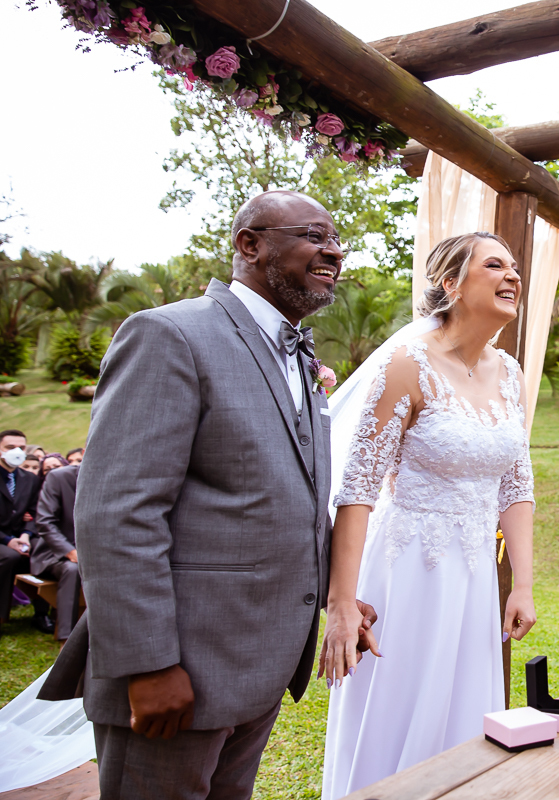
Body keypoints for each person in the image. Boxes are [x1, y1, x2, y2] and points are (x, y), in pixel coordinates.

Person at [43, 191, 379, 800]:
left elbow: (283, 501)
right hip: (180, 669)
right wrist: (148, 665)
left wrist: (338, 594)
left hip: (258, 663)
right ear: (249, 244)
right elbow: (117, 513)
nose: (333, 250)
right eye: (313, 235)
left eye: (336, 241)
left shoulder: (299, 356)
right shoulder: (170, 334)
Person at [321, 232, 537, 799]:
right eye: (496, 265)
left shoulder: (511, 374)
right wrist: (342, 602)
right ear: (451, 284)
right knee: (402, 706)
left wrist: (523, 586)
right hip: (408, 570)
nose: (513, 275)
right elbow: (358, 491)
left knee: (466, 715)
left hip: (474, 579)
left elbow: (516, 484)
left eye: (515, 266)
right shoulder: (405, 366)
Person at [0, 428, 54, 635]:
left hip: (21, 537)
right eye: (10, 447)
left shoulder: (29, 479)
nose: (17, 451)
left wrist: (26, 535)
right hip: (4, 540)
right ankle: (2, 615)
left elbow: (36, 512)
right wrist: (7, 540)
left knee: (42, 552)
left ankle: (42, 613)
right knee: (9, 557)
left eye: (21, 447)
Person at [33, 462, 82, 642]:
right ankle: (66, 640)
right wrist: (70, 552)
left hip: (96, 553)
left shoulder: (114, 478)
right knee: (72, 569)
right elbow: (45, 523)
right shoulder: (59, 477)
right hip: (54, 554)